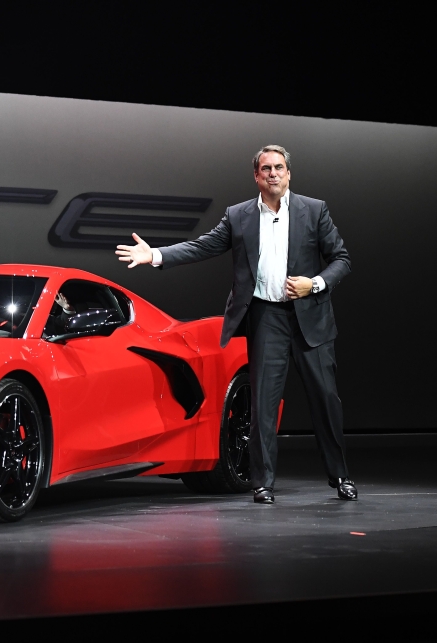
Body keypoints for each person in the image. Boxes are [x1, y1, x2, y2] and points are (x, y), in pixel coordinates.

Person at [115, 145, 356, 504]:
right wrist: (156, 255)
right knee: (262, 404)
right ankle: (263, 483)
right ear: (256, 176)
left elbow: (341, 258)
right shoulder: (239, 215)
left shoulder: (314, 210)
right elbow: (202, 246)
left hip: (310, 317)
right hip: (266, 317)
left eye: (279, 167)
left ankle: (340, 477)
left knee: (325, 400)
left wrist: (315, 284)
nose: (273, 174)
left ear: (289, 174)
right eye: (266, 168)